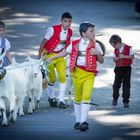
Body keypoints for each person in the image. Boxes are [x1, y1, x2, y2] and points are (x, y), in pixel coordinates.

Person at [47, 22, 104, 131]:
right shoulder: (74, 43)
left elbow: (101, 61)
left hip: (89, 74)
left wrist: (98, 53)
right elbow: (64, 52)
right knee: (77, 98)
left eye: (93, 31)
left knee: (86, 96)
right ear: (83, 33)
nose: (93, 33)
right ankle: (78, 121)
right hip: (76, 73)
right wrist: (52, 57)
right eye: (91, 31)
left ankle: (83, 122)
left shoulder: (96, 45)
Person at [38, 12, 73, 108]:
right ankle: (51, 97)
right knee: (52, 78)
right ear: (61, 21)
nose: (67, 23)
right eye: (65, 21)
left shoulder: (70, 31)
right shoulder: (52, 29)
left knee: (63, 77)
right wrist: (39, 56)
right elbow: (43, 43)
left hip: (60, 55)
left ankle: (61, 100)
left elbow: (68, 45)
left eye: (69, 21)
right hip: (49, 54)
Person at [109, 34, 134, 108]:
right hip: (118, 68)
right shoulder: (115, 50)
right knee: (116, 85)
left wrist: (124, 56)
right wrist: (116, 58)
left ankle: (126, 101)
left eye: (114, 45)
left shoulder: (128, 48)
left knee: (126, 85)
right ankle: (115, 98)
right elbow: (114, 57)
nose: (113, 47)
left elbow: (132, 56)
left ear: (118, 43)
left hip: (126, 68)